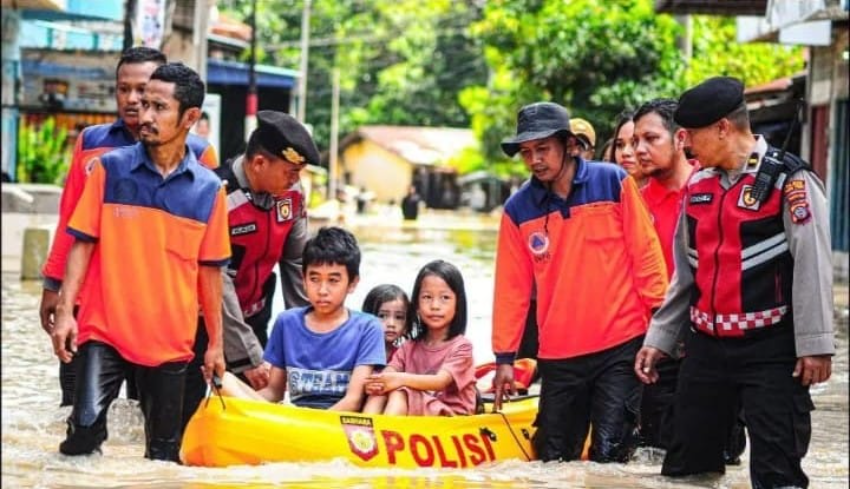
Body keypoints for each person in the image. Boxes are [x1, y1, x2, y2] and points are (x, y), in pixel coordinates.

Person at [634, 77, 835, 488]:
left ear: (723, 128)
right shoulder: (698, 186)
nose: (684, 145)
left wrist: (816, 347)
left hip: (771, 350)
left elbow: (813, 266)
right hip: (706, 349)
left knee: (776, 474)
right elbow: (685, 273)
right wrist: (660, 338)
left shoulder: (790, 181)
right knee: (687, 470)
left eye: (691, 135)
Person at [50, 63, 229, 462]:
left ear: (190, 118)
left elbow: (210, 271)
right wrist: (66, 311)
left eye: (158, 107)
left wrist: (216, 343)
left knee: (163, 455)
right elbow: (81, 242)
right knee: (82, 430)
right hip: (104, 329)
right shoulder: (109, 170)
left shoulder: (208, 191)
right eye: (143, 103)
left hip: (170, 340)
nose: (144, 115)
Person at [491, 101, 668, 463]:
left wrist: (660, 328)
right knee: (553, 460)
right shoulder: (517, 210)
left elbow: (645, 254)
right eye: (526, 152)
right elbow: (511, 288)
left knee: (611, 455)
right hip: (558, 355)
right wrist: (504, 358)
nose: (534, 160)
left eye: (542, 149)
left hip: (620, 346)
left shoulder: (613, 182)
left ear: (569, 145)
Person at [180, 110, 317, 429]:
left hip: (254, 314)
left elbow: (296, 265)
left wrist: (308, 335)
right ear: (258, 164)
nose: (296, 180)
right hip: (203, 321)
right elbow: (218, 279)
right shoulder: (218, 195)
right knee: (186, 414)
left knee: (253, 414)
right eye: (290, 172)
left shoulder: (292, 196)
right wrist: (248, 355)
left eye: (299, 172)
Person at [220, 226, 386, 411]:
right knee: (224, 380)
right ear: (304, 279)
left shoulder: (368, 327)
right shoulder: (287, 322)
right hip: (294, 417)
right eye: (315, 279)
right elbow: (274, 391)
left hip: (337, 423)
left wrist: (309, 423)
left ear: (352, 283)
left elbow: (353, 400)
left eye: (333, 280)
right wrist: (241, 404)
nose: (322, 290)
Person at [631, 98, 698, 450]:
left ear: (681, 139)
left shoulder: (713, 193)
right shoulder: (632, 204)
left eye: (650, 139)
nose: (639, 150)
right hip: (650, 350)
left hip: (707, 347)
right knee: (652, 454)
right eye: (633, 141)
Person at [363, 260, 475, 416]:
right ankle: (363, 429)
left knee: (399, 390)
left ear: (458, 304)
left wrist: (398, 379)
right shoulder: (409, 347)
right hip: (420, 412)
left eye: (445, 298)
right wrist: (378, 383)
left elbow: (440, 382)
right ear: (416, 305)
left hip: (451, 417)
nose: (435, 305)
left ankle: (383, 433)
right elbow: (390, 371)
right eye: (427, 297)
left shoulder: (462, 346)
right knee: (383, 388)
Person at [362, 284, 413, 362]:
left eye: (399, 317)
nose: (391, 324)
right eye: (382, 316)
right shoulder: (356, 352)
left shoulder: (403, 357)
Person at [608, 109, 646, 188]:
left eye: (634, 143)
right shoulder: (602, 195)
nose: (625, 152)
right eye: (619, 145)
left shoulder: (676, 198)